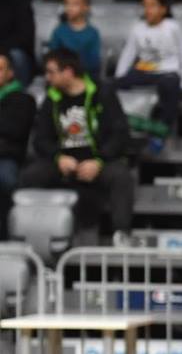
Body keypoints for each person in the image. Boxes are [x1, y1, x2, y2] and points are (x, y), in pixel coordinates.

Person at [26, 48, 136, 238]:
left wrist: (99, 160)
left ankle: (121, 234)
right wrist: (58, 157)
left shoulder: (103, 93)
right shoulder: (51, 99)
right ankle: (30, 234)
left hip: (98, 159)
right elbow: (40, 140)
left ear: (68, 72)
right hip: (64, 160)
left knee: (121, 176)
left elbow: (120, 134)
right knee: (31, 176)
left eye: (51, 72)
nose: (47, 77)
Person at [113, 0, 182, 135]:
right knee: (111, 87)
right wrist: (120, 76)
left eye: (153, 5)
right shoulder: (137, 28)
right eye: (145, 6)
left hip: (167, 72)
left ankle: (163, 129)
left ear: (163, 9)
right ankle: (127, 124)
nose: (148, 10)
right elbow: (128, 53)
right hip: (143, 71)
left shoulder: (172, 27)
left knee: (170, 86)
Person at [48, 0, 103, 79]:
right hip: (61, 78)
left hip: (85, 78)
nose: (69, 8)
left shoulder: (93, 33)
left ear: (86, 7)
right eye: (66, 3)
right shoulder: (59, 31)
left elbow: (94, 63)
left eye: (75, 4)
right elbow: (52, 58)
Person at [0, 53, 35, 200]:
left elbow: (13, 131)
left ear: (11, 73)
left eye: (0, 69)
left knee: (6, 179)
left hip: (5, 156)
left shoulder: (23, 99)